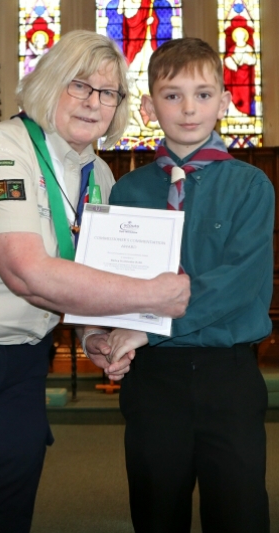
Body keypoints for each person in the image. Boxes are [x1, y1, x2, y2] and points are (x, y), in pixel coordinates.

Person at [0, 30, 191, 533]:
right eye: (80, 86)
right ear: (49, 84)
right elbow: (27, 273)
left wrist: (93, 333)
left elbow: (84, 276)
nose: (94, 103)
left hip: (22, 358)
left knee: (5, 505)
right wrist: (154, 295)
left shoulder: (100, 176)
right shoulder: (1, 151)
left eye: (108, 93)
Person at [87, 37, 273, 532]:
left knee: (238, 512)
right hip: (154, 381)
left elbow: (239, 282)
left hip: (227, 376)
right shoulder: (128, 191)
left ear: (226, 102)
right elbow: (111, 281)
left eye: (203, 94)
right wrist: (108, 333)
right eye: (172, 95)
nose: (188, 108)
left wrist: (150, 328)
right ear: (149, 107)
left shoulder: (252, 187)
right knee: (155, 510)